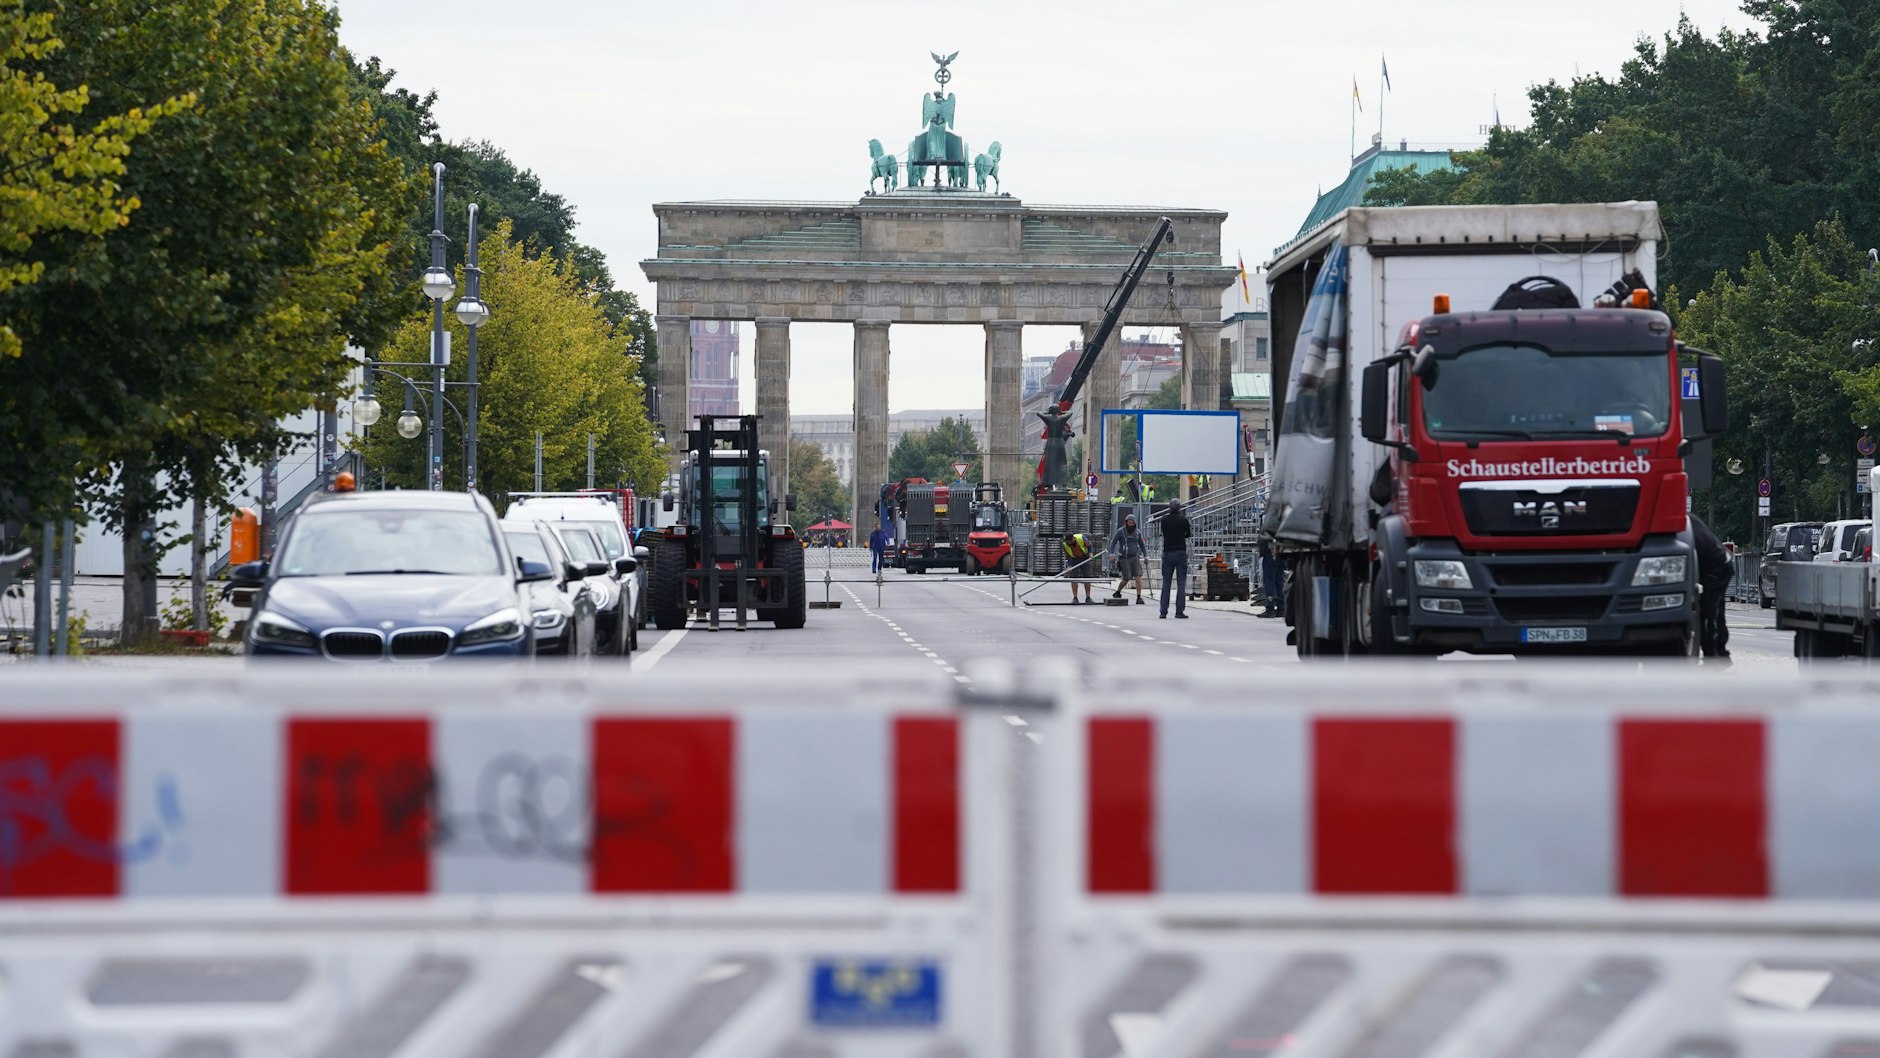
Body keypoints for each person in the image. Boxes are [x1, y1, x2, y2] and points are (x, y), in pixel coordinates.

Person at [1691, 514, 1732, 663]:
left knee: (1709, 613)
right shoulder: (1686, 519)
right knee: (1714, 612)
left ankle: (1715, 656)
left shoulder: (1682, 525)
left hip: (1717, 568)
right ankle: (1718, 654)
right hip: (1716, 563)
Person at [1159, 499, 1191, 619]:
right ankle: (1179, 611)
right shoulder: (1183, 520)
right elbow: (1188, 534)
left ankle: (1163, 611)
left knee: (1166, 583)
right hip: (1180, 552)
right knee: (1181, 583)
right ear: (1179, 508)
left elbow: (1164, 532)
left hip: (1168, 552)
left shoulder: (1164, 520)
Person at [1108, 513, 1147, 604]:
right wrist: (1112, 554)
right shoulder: (1120, 531)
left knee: (1138, 576)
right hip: (1124, 558)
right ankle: (1118, 592)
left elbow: (1142, 545)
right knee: (1127, 578)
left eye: (1132, 523)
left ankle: (1139, 597)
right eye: (1129, 523)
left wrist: (1146, 556)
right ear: (1126, 522)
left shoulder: (1137, 532)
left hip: (1135, 557)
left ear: (1134, 523)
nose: (1130, 524)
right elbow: (1113, 543)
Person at [1063, 531, 1095, 603]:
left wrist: (1090, 554)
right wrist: (1070, 566)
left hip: (1084, 558)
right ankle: (1075, 598)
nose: (1068, 543)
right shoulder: (1065, 544)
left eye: (1069, 541)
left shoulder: (1081, 538)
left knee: (1087, 578)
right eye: (1066, 541)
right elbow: (1069, 556)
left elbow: (1089, 546)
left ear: (1073, 538)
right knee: (1073, 578)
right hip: (1074, 560)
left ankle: (1088, 597)